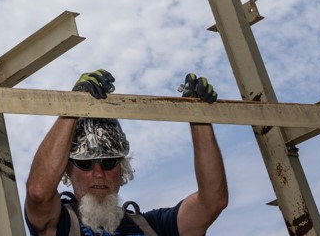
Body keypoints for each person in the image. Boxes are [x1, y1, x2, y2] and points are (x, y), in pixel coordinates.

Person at [24, 69, 228, 236]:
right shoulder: (59, 225)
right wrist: (73, 107)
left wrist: (199, 117)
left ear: (122, 169)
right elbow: (38, 193)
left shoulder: (151, 227)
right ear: (67, 170)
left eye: (108, 162)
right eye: (85, 164)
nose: (98, 173)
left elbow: (212, 202)